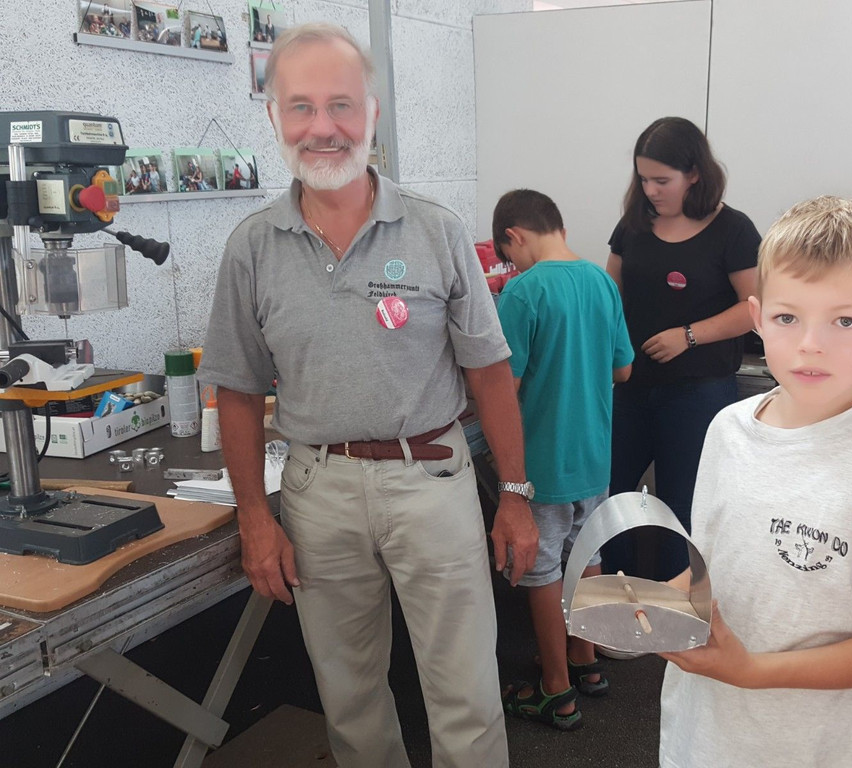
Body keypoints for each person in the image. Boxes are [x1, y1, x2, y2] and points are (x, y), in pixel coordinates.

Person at [197, 22, 538, 768]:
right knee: (349, 697)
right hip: (318, 490)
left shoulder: (436, 231)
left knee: (466, 692)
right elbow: (238, 391)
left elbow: (489, 373)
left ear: (373, 114)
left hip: (433, 480)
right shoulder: (252, 247)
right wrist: (254, 517)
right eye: (302, 107)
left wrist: (514, 494)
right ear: (274, 117)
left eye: (341, 105)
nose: (323, 127)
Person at [658, 196, 852, 768]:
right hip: (699, 737)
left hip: (815, 750)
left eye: (845, 320)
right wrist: (659, 603)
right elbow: (717, 562)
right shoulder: (727, 430)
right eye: (787, 317)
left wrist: (751, 671)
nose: (810, 344)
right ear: (756, 317)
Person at [492, 189, 633, 730]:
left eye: (509, 256)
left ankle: (556, 689)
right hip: (595, 454)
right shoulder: (601, 281)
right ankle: (584, 660)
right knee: (586, 556)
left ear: (515, 237)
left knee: (543, 570)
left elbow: (505, 386)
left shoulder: (523, 291)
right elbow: (623, 370)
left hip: (544, 463)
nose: (513, 265)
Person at [602, 116, 760, 583]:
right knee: (609, 494)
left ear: (694, 174)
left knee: (684, 505)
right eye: (643, 179)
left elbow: (757, 308)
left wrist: (688, 335)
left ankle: (676, 607)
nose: (650, 190)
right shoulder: (634, 225)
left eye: (662, 180)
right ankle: (615, 596)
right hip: (631, 387)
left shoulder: (733, 230)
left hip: (698, 392)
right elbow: (610, 293)